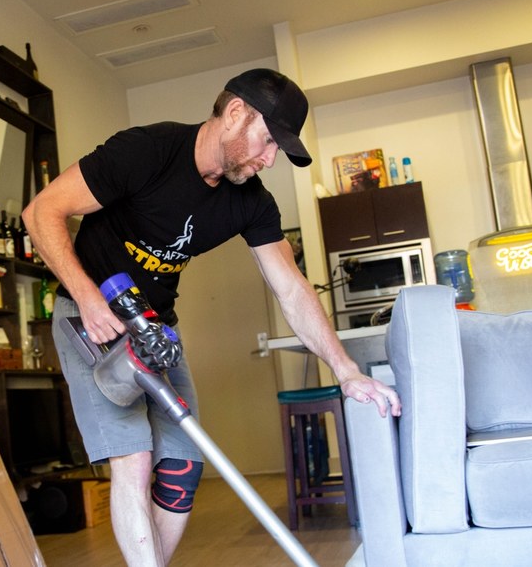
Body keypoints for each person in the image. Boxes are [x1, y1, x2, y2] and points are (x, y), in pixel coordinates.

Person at [21, 68, 401, 566]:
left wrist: (345, 369)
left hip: (154, 326)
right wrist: (88, 298)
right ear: (236, 113)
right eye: (268, 142)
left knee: (182, 467)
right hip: (90, 317)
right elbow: (41, 212)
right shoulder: (146, 151)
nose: (269, 159)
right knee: (133, 460)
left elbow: (291, 286)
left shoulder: (250, 202)